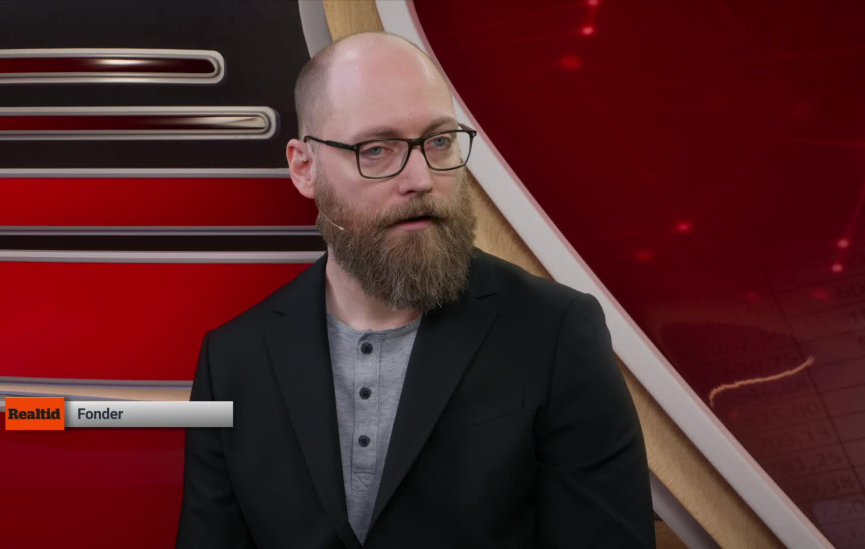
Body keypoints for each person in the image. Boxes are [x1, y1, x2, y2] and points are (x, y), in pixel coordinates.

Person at [176, 32, 654, 548]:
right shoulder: (233, 361)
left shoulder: (555, 334)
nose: (421, 179)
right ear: (304, 168)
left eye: (439, 141)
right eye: (376, 150)